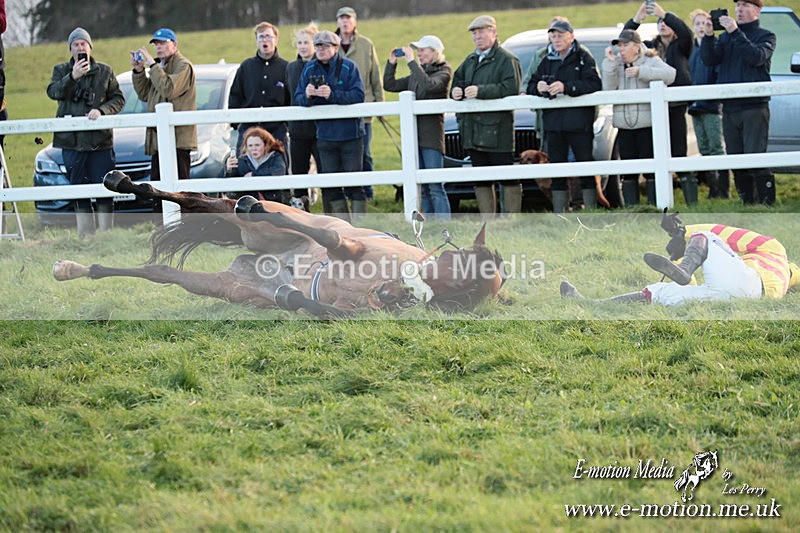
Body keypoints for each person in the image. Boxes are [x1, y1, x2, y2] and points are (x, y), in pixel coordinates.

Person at [561, 211, 800, 305]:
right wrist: (679, 255)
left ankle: (684, 266)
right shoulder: (784, 277)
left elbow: (722, 232)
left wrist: (685, 232)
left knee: (705, 235)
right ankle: (592, 304)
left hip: (749, 286)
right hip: (731, 297)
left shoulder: (772, 246)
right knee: (658, 292)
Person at [46, 27, 125, 238]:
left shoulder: (105, 71)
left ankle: (106, 233)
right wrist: (73, 77)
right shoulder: (61, 70)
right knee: (78, 188)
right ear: (71, 49)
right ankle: (85, 235)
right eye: (76, 45)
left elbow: (118, 99)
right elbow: (53, 92)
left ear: (90, 47)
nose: (80, 47)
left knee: (106, 187)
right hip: (72, 143)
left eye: (83, 44)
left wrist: (101, 110)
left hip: (101, 142)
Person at [700, 0, 776, 206]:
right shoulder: (725, 37)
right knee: (736, 159)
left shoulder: (766, 36)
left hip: (754, 106)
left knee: (756, 158)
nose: (739, 10)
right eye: (737, 6)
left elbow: (756, 57)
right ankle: (747, 204)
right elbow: (709, 60)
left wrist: (734, 31)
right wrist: (708, 37)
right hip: (730, 107)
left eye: (745, 5)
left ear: (758, 11)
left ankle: (767, 204)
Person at [625, 2, 697, 205]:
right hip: (653, 108)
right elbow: (626, 40)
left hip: (676, 106)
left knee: (679, 150)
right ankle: (656, 201)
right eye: (659, 22)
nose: (662, 25)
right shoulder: (649, 47)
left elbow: (685, 32)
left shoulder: (681, 45)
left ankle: (692, 202)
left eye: (666, 23)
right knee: (654, 152)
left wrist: (664, 14)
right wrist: (637, 19)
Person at [527, 19, 602, 213]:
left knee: (585, 166)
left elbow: (594, 84)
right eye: (553, 36)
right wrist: (538, 87)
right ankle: (560, 213)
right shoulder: (546, 61)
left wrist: (567, 87)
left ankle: (590, 211)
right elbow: (530, 84)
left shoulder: (583, 57)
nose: (556, 39)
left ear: (571, 36)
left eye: (560, 35)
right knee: (557, 170)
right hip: (554, 124)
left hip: (579, 124)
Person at [451, 15, 522, 218]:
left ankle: (512, 220)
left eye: (482, 31)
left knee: (506, 176)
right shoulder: (470, 60)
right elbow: (458, 81)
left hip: (497, 130)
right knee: (480, 178)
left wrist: (481, 90)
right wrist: (456, 91)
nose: (477, 36)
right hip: (472, 131)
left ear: (494, 32)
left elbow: (511, 87)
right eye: (474, 33)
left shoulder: (507, 59)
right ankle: (488, 221)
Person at [293, 30, 365, 222]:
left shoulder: (349, 67)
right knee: (331, 185)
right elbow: (297, 98)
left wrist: (332, 95)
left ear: (335, 47)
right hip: (324, 136)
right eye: (318, 46)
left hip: (350, 135)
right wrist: (307, 95)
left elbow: (358, 95)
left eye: (325, 46)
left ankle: (362, 225)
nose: (321, 49)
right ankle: (343, 226)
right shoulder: (309, 69)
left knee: (354, 183)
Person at [601, 29, 676, 206]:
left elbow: (671, 74)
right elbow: (608, 88)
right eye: (619, 46)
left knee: (651, 170)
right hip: (624, 126)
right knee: (628, 171)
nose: (621, 49)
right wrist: (610, 64)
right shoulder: (616, 64)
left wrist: (641, 71)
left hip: (647, 125)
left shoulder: (650, 60)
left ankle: (654, 206)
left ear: (636, 47)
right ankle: (632, 210)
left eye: (625, 45)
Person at [384, 35, 452, 221]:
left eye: (423, 50)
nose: (419, 53)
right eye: (418, 51)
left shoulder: (444, 71)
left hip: (431, 137)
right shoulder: (418, 72)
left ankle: (444, 224)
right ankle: (428, 225)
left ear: (435, 52)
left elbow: (429, 86)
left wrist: (412, 62)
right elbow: (390, 85)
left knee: (435, 185)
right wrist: (391, 64)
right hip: (414, 137)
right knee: (422, 185)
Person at [131, 28, 196, 188]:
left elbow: (169, 89)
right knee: (158, 189)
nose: (158, 47)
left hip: (178, 140)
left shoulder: (183, 66)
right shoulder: (159, 67)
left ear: (174, 44)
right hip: (158, 140)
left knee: (179, 190)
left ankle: (182, 215)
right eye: (156, 44)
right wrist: (139, 72)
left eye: (163, 43)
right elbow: (144, 94)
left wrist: (152, 66)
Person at [335, 6, 382, 207]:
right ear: (337, 22)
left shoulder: (366, 44)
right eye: (342, 19)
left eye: (348, 18)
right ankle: (347, 190)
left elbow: (375, 75)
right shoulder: (331, 44)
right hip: (337, 110)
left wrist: (379, 104)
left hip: (364, 107)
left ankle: (367, 190)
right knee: (342, 153)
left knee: (365, 152)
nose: (345, 22)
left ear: (355, 22)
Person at [228, 22, 291, 153]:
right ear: (256, 41)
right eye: (261, 37)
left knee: (278, 168)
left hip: (276, 129)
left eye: (268, 36)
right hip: (249, 129)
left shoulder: (286, 68)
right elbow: (235, 96)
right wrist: (237, 124)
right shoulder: (246, 66)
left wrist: (286, 125)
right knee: (245, 169)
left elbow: (291, 98)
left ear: (276, 40)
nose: (265, 40)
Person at [688, 9, 728, 199]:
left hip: (712, 106)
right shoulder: (692, 50)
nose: (701, 27)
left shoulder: (715, 47)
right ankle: (713, 189)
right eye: (697, 23)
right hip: (695, 107)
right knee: (703, 148)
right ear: (693, 27)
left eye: (705, 23)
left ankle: (723, 190)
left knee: (716, 148)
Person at [286, 24, 320, 177]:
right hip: (297, 129)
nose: (303, 46)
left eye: (307, 42)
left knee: (325, 169)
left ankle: (329, 200)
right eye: (300, 43)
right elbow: (288, 96)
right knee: (299, 170)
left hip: (319, 129)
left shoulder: (322, 66)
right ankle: (300, 199)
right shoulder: (291, 68)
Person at [224, 126, 288, 202]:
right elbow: (229, 185)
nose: (253, 148)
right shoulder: (242, 160)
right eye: (250, 145)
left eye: (257, 145)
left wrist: (254, 175)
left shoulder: (275, 157)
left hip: (272, 203)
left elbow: (278, 172)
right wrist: (228, 170)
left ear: (266, 145)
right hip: (248, 205)